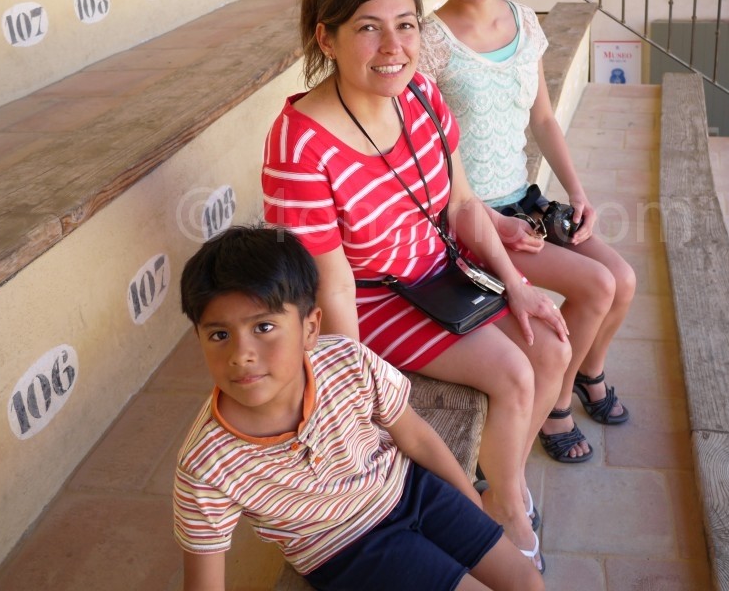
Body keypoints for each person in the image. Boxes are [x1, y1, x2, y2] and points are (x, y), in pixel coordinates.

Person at [262, 0, 571, 571]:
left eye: (405, 25)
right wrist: (354, 389)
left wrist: (515, 286)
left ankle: (496, 475)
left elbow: (460, 204)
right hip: (374, 298)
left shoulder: (422, 93)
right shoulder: (299, 143)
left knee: (553, 348)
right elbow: (334, 286)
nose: (392, 46)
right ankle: (507, 510)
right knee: (514, 374)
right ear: (327, 37)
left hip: (441, 273)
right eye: (368, 27)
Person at [173, 225, 544, 591]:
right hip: (345, 548)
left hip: (411, 488)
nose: (241, 356)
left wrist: (471, 504)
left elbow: (417, 439)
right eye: (219, 335)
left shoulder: (347, 361)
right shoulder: (206, 464)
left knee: (527, 580)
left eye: (264, 327)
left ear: (310, 327)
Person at [417, 0, 637, 465]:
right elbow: (425, 150)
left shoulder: (523, 19)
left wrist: (579, 194)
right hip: (469, 217)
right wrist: (486, 220)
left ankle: (589, 372)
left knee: (623, 278)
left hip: (526, 200)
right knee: (595, 287)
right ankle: (558, 401)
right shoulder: (430, 42)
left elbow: (542, 119)